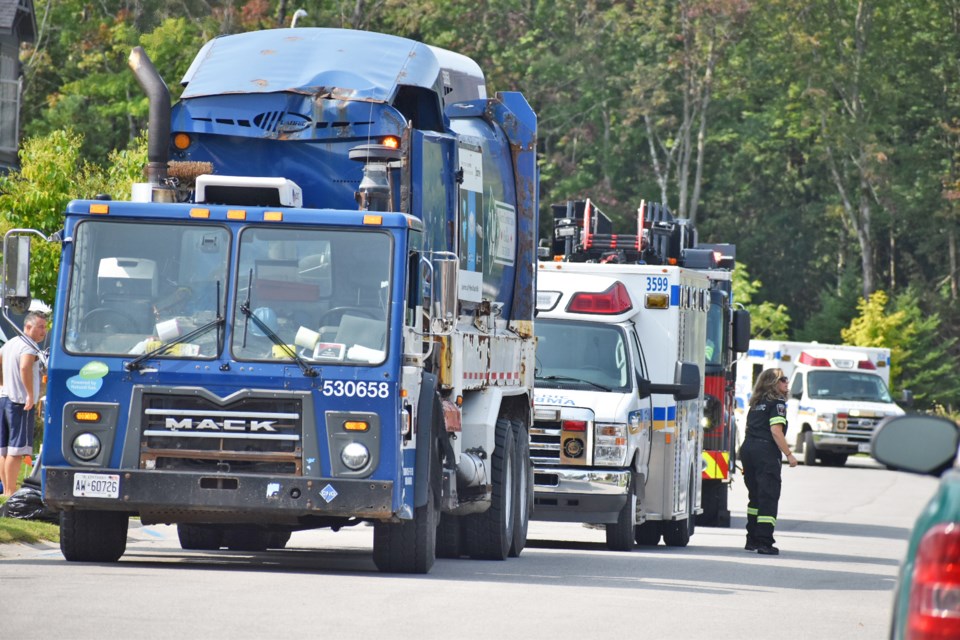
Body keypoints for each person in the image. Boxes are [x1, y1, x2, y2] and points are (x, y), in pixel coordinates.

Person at [740, 367, 797, 555]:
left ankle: (752, 540)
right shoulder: (777, 403)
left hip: (749, 450)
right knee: (768, 497)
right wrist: (789, 454)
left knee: (755, 497)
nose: (787, 383)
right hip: (765, 452)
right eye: (783, 379)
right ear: (772, 383)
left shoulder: (756, 403)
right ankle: (765, 542)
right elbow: (776, 431)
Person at [0, 311, 48, 497]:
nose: (44, 331)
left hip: (3, 398)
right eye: (41, 327)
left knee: (3, 448)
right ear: (28, 327)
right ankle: (11, 490)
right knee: (16, 449)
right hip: (20, 402)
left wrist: (3, 384)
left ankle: (5, 489)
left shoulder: (10, 343)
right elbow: (25, 367)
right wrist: (29, 394)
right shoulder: (30, 346)